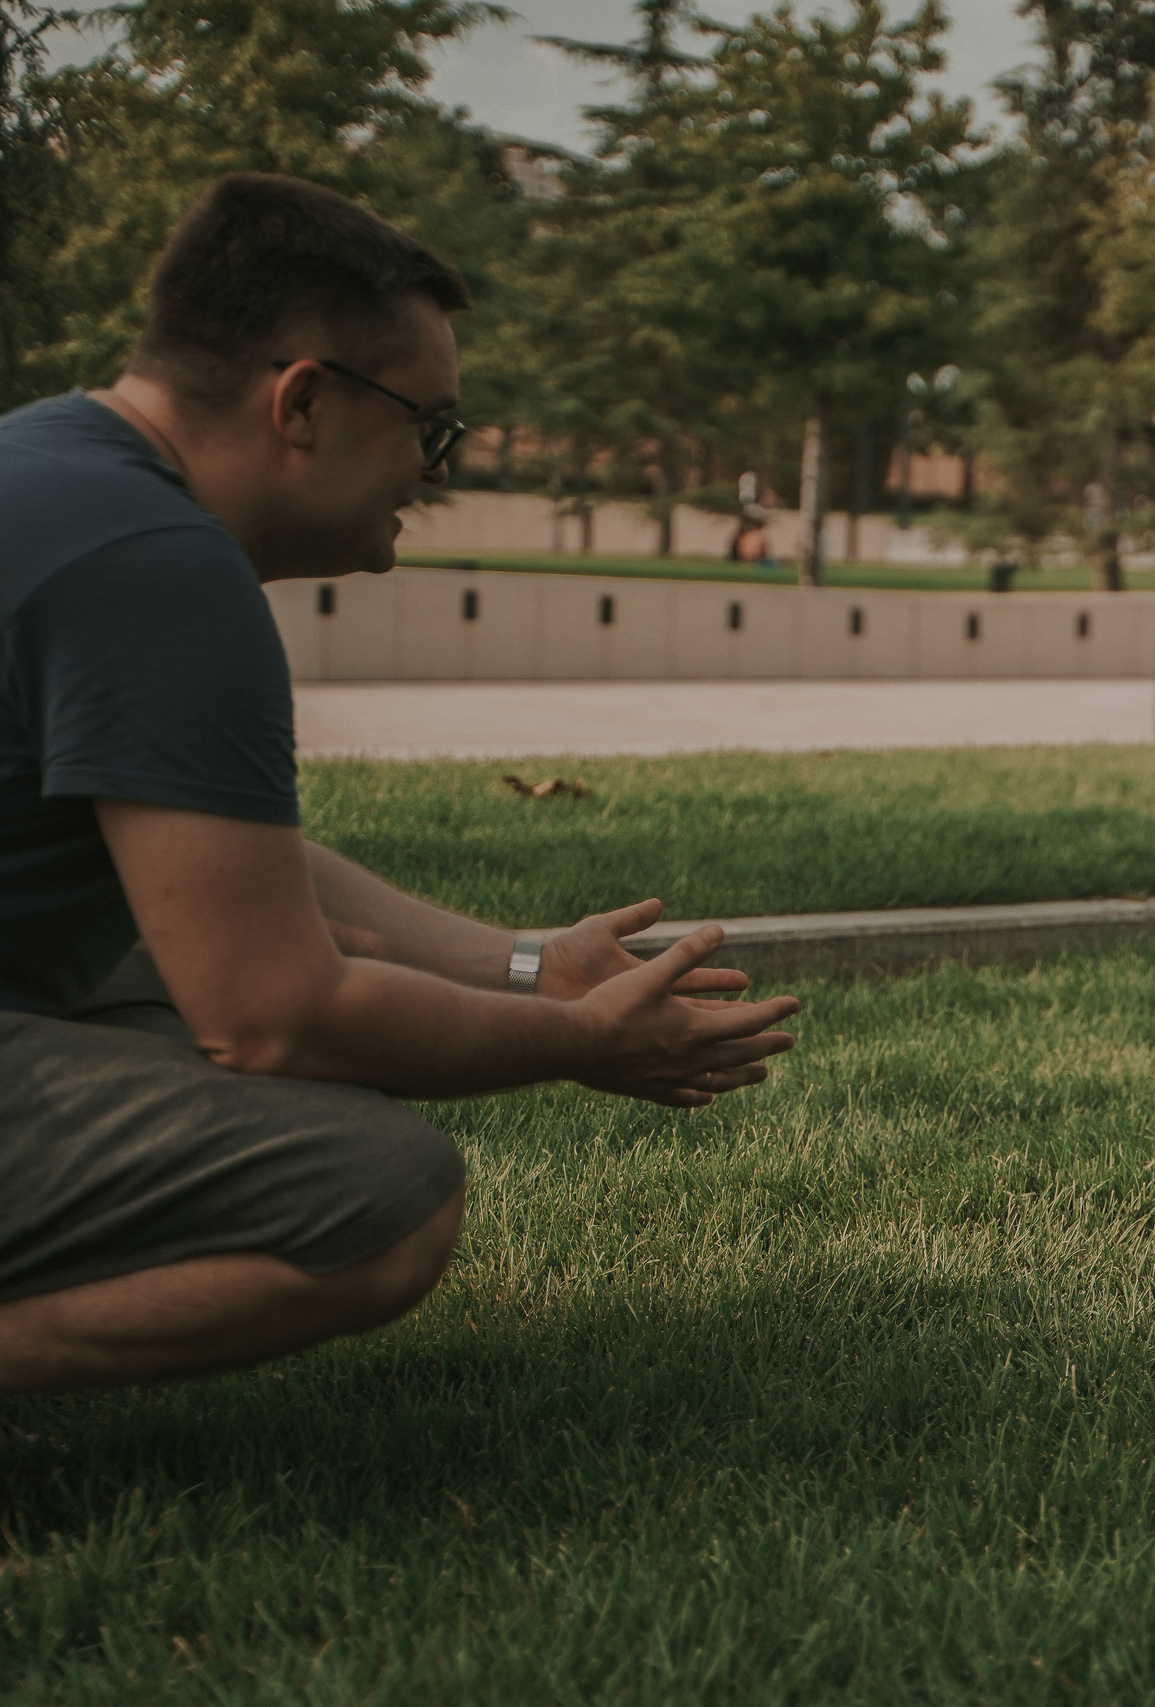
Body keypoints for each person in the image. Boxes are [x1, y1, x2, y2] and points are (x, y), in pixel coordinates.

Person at [0, 174, 800, 1396]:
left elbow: (231, 878)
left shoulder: (58, 466)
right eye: (428, 427)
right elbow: (277, 1015)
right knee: (378, 1196)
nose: (431, 475)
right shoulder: (157, 569)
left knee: (191, 982)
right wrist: (579, 1039)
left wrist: (527, 967)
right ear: (304, 401)